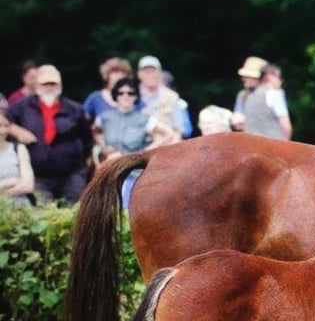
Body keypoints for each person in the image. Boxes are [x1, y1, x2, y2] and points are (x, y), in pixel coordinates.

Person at [7, 64, 92, 204]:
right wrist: (15, 129)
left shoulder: (75, 109)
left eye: (53, 83)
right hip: (38, 175)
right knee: (42, 214)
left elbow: (87, 138)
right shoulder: (21, 107)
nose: (49, 87)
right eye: (45, 83)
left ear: (59, 85)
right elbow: (4, 121)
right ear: (37, 85)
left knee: (74, 213)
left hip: (72, 174)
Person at [93, 77, 176, 208]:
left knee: (128, 211)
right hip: (110, 173)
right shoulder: (105, 117)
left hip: (134, 173)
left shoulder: (143, 119)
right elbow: (95, 132)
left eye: (130, 93)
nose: (125, 96)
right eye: (121, 93)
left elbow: (168, 134)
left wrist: (145, 152)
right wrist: (104, 148)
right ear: (116, 95)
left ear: (135, 96)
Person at [136, 56, 183, 144]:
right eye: (146, 72)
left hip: (166, 146)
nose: (150, 75)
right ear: (139, 74)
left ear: (160, 73)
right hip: (139, 147)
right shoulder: (130, 96)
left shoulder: (172, 97)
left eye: (153, 71)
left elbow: (178, 130)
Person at [243, 64, 292, 140]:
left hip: (251, 144)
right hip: (273, 146)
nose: (281, 81)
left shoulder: (249, 96)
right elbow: (285, 126)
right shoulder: (275, 94)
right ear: (270, 76)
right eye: (279, 77)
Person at [0, 109, 35, 206]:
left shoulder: (18, 148)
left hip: (20, 208)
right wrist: (12, 181)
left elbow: (28, 185)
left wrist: (2, 192)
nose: (2, 131)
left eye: (6, 126)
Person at [231, 56, 268, 132]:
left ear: (259, 78)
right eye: (244, 76)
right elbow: (237, 123)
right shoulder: (242, 95)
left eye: (248, 76)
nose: (244, 79)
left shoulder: (272, 96)